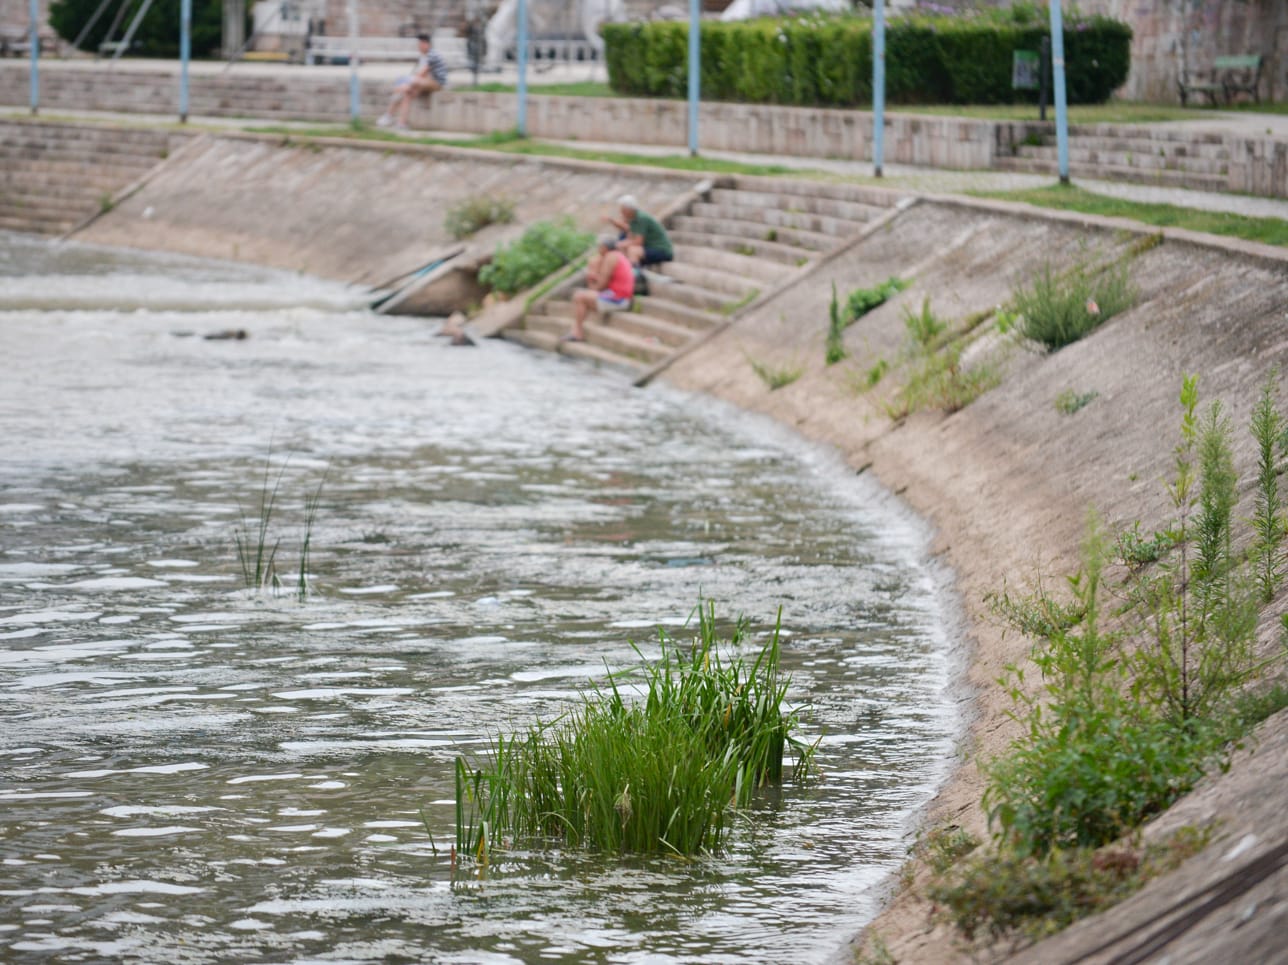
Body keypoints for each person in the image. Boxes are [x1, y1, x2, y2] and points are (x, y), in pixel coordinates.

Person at [565, 236, 634, 343]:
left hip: (618, 299)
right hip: (618, 296)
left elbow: (601, 285)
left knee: (579, 296)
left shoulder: (610, 257)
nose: (598, 249)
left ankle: (577, 333)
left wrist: (591, 281)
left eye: (599, 247)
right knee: (582, 296)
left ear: (605, 247)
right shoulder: (617, 256)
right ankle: (576, 330)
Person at [378, 34, 448, 132]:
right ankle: (400, 123)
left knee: (408, 84)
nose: (418, 47)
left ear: (426, 44)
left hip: (437, 83)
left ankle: (393, 94)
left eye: (420, 44)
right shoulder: (423, 56)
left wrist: (405, 85)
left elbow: (422, 74)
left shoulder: (432, 55)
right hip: (424, 83)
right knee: (407, 93)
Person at [605, 194, 673, 268]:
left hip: (662, 250)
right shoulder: (633, 219)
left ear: (629, 209)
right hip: (649, 248)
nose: (621, 212)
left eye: (623, 210)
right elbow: (630, 236)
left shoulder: (641, 218)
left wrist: (619, 244)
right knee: (623, 247)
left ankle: (636, 274)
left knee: (633, 250)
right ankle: (626, 271)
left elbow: (638, 242)